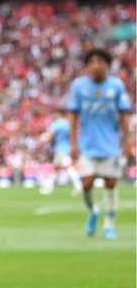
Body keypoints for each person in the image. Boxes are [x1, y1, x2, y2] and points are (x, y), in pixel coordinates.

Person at [68, 48, 133, 240]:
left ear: (107, 65)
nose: (96, 65)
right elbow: (73, 116)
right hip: (87, 145)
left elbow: (124, 116)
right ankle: (94, 211)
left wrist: (128, 142)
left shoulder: (117, 86)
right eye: (92, 61)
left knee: (110, 183)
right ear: (87, 66)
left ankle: (110, 224)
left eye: (100, 61)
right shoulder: (78, 86)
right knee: (86, 183)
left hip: (110, 144)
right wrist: (73, 143)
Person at [39, 113, 79, 196]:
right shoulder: (67, 123)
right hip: (67, 148)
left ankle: (79, 186)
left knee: (68, 168)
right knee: (56, 169)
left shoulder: (57, 124)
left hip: (61, 150)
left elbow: (50, 136)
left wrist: (44, 139)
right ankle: (51, 187)